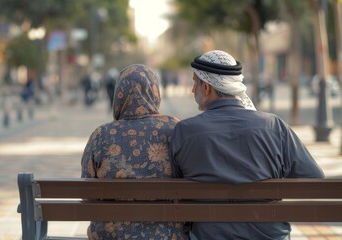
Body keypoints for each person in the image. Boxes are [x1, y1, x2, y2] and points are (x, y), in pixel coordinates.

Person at [170, 50, 325, 240]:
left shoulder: (184, 131)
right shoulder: (273, 126)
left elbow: (176, 188)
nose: (193, 90)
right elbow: (314, 178)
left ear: (207, 88)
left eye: (195, 83)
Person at [81, 64, 187, 240]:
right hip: (168, 234)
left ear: (119, 95)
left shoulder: (102, 135)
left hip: (111, 235)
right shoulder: (176, 129)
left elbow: (86, 195)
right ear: (155, 92)